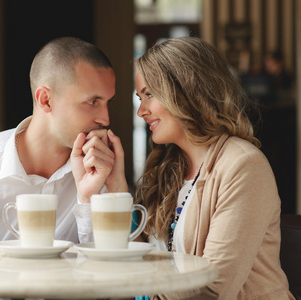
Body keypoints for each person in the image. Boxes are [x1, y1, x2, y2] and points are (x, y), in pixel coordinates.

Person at [72, 37, 294, 299]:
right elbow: (129, 262)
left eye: (149, 95)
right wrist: (115, 186)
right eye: (139, 98)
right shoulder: (168, 167)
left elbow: (211, 289)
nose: (141, 111)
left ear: (187, 91)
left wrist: (140, 282)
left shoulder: (243, 166)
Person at [0, 36, 122, 300]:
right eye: (92, 102)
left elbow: (108, 281)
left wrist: (89, 199)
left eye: (107, 102)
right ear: (45, 100)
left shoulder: (100, 168)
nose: (105, 118)